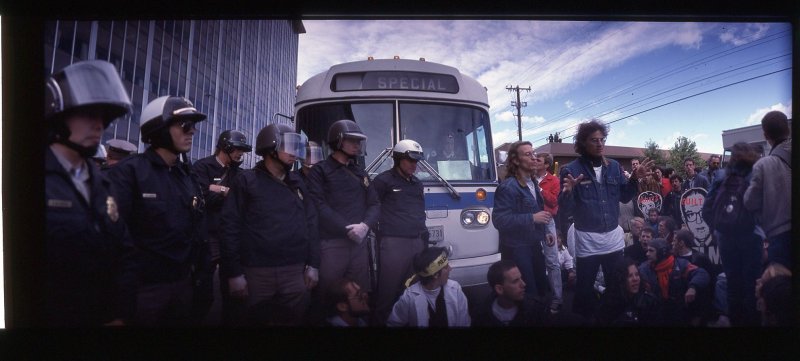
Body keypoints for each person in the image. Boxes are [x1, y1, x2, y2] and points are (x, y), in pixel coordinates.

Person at [44, 60, 137, 326]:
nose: (99, 125)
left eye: (103, 117)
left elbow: (125, 253)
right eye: (88, 114)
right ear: (58, 115)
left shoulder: (101, 183)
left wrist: (121, 313)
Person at [107, 95, 207, 326]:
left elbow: (197, 232)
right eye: (185, 125)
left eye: (193, 126)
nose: (192, 131)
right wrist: (115, 306)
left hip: (183, 287)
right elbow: (110, 241)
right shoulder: (128, 173)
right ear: (159, 128)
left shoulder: (187, 176)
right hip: (143, 292)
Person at [219, 123, 320, 326]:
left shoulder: (297, 183)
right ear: (271, 148)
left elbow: (311, 223)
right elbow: (230, 228)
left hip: (295, 272)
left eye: (296, 147)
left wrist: (313, 265)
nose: (294, 153)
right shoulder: (246, 181)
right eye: (289, 146)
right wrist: (234, 273)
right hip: (257, 273)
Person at [557, 119, 654, 319]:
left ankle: (616, 319)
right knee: (584, 290)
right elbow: (565, 208)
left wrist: (636, 179)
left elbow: (625, 196)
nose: (600, 143)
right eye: (594, 140)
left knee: (616, 285)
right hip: (587, 240)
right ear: (583, 143)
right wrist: (568, 192)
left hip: (613, 238)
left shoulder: (615, 167)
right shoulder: (571, 170)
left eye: (602, 139)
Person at [306, 119, 380, 303]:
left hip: (359, 244)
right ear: (338, 141)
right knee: (327, 294)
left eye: (358, 141)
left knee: (359, 294)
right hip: (332, 244)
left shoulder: (360, 172)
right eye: (352, 140)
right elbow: (318, 205)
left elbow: (375, 204)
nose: (357, 145)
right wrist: (347, 228)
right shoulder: (320, 171)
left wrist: (365, 225)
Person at [192, 129, 253, 325]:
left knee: (232, 291)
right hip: (207, 236)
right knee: (203, 290)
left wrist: (217, 189)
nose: (240, 154)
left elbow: (242, 200)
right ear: (225, 147)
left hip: (229, 237)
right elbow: (200, 196)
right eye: (237, 149)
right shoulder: (202, 166)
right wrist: (224, 192)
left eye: (243, 150)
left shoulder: (241, 173)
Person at [704, 142, 763, 326]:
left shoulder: (721, 175)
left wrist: (716, 229)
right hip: (751, 236)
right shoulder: (755, 173)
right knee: (752, 284)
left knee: (732, 283)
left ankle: (736, 322)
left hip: (726, 237)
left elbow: (707, 208)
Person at [372, 139, 428, 325]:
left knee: (414, 290)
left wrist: (424, 239)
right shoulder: (383, 181)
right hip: (393, 244)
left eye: (416, 161)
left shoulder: (417, 184)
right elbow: (371, 209)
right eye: (410, 160)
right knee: (388, 291)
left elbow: (420, 212)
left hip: (417, 242)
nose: (414, 165)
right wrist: (383, 234)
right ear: (397, 159)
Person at [492, 141, 556, 302]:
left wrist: (545, 232)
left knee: (541, 289)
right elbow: (499, 220)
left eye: (534, 154)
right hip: (517, 249)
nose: (534, 158)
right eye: (528, 154)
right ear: (515, 160)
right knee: (527, 294)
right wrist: (532, 218)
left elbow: (538, 212)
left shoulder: (533, 183)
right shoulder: (508, 187)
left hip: (534, 245)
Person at [744, 110, 792, 269]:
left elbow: (750, 202)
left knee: (782, 289)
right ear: (788, 129)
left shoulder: (764, 165)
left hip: (781, 238)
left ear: (765, 135)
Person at [386, 247, 470, 327]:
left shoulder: (455, 290)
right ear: (436, 275)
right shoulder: (409, 297)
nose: (450, 269)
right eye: (446, 267)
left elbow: (464, 322)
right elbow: (393, 323)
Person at [638, 238, 710, 326]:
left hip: (679, 312)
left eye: (651, 251)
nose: (647, 254)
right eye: (647, 250)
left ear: (662, 252)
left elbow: (701, 273)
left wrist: (693, 287)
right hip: (656, 313)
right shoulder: (644, 269)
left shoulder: (681, 264)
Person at [473, 260, 552, 327]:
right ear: (499, 289)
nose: (523, 284)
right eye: (515, 281)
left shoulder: (537, 309)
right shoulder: (481, 316)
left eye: (521, 278)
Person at [533, 152, 564, 313]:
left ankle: (558, 298)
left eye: (538, 160)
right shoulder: (527, 178)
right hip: (530, 222)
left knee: (552, 261)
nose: (534, 161)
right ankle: (539, 295)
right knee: (534, 259)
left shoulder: (554, 180)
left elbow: (554, 201)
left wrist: (538, 188)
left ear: (546, 165)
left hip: (546, 222)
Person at [594, 258, 662, 326]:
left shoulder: (649, 302)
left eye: (637, 274)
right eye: (630, 276)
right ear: (620, 279)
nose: (635, 279)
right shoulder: (608, 306)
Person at [672, 229, 715, 326]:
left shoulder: (701, 259)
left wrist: (700, 314)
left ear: (681, 243)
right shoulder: (671, 259)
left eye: (674, 240)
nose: (672, 243)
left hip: (698, 309)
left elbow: (709, 286)